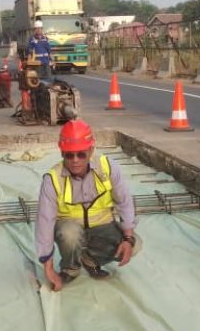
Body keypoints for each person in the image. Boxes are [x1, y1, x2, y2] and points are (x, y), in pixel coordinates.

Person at [36, 119, 141, 290]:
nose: (75, 160)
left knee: (136, 245)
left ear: (91, 150)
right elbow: (44, 223)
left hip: (101, 225)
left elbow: (124, 202)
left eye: (81, 154)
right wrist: (48, 269)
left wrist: (128, 238)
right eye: (69, 155)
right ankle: (71, 268)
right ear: (62, 153)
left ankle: (90, 259)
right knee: (69, 233)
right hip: (71, 228)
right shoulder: (52, 179)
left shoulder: (107, 168)